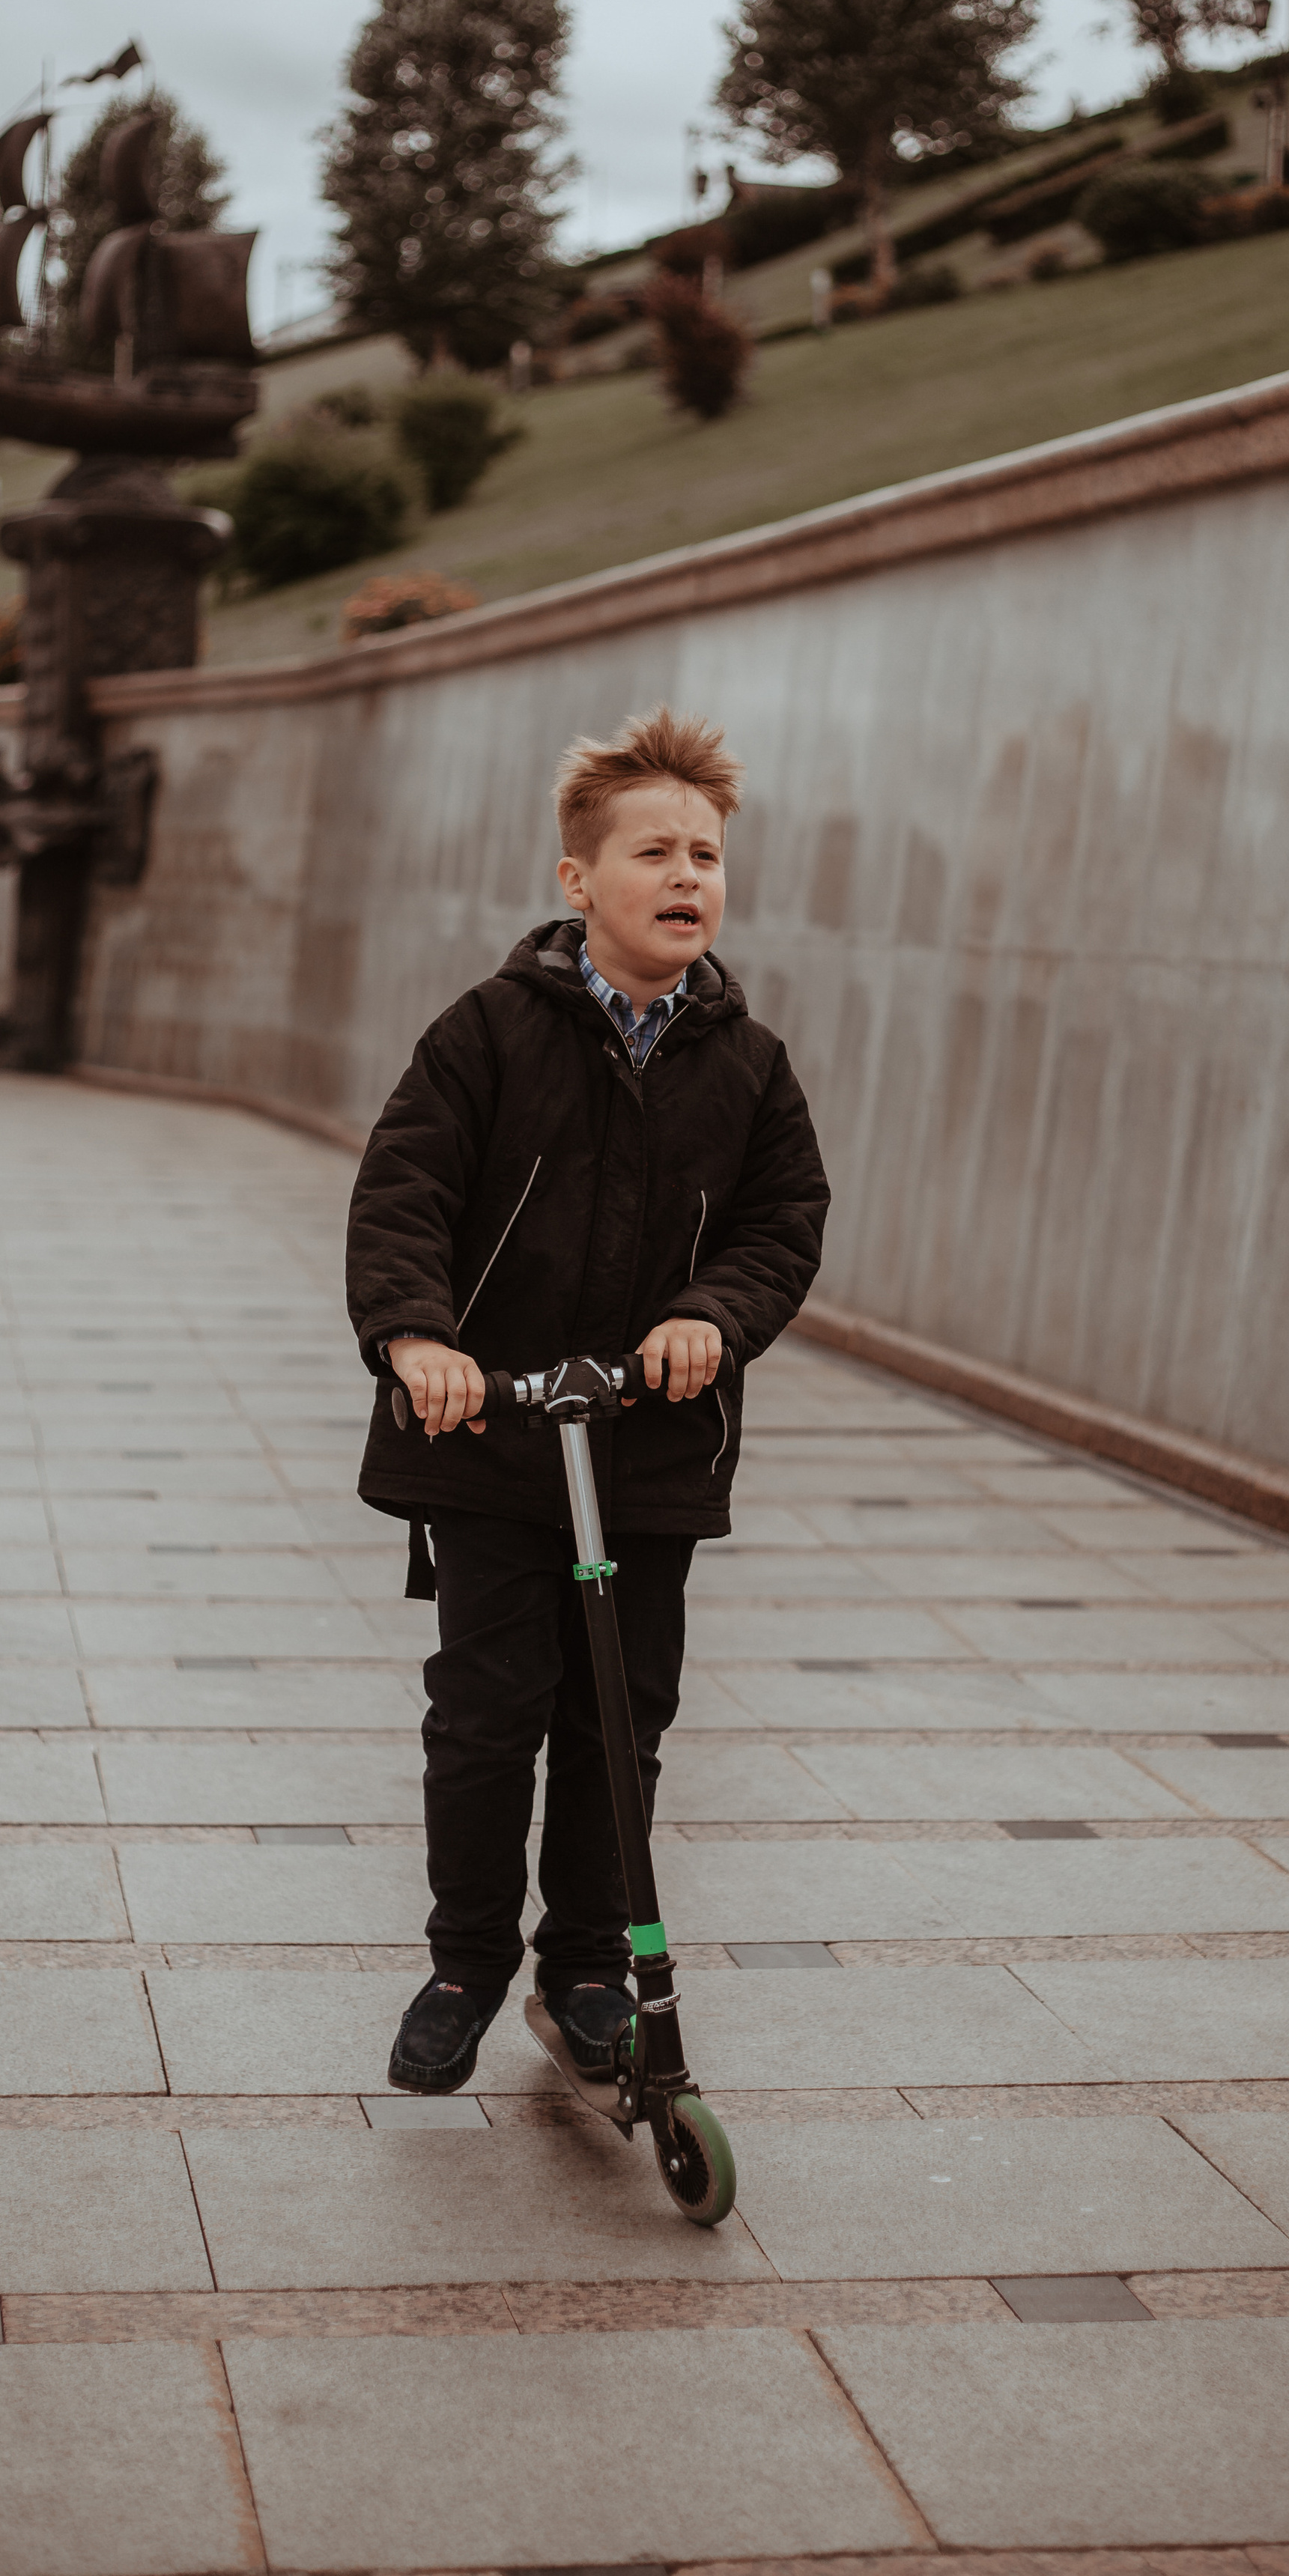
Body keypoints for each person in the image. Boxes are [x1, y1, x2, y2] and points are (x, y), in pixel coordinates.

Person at [347, 704, 830, 2094]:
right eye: (655, 854)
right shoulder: (491, 1032)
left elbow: (782, 1221)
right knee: (489, 1709)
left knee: (623, 1714)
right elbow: (405, 1196)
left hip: (649, 1444)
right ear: (579, 882)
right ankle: (464, 1962)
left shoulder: (747, 1060)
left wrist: (711, 1318)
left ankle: (586, 1967)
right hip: (491, 1437)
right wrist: (417, 1340)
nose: (688, 878)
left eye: (708, 856)